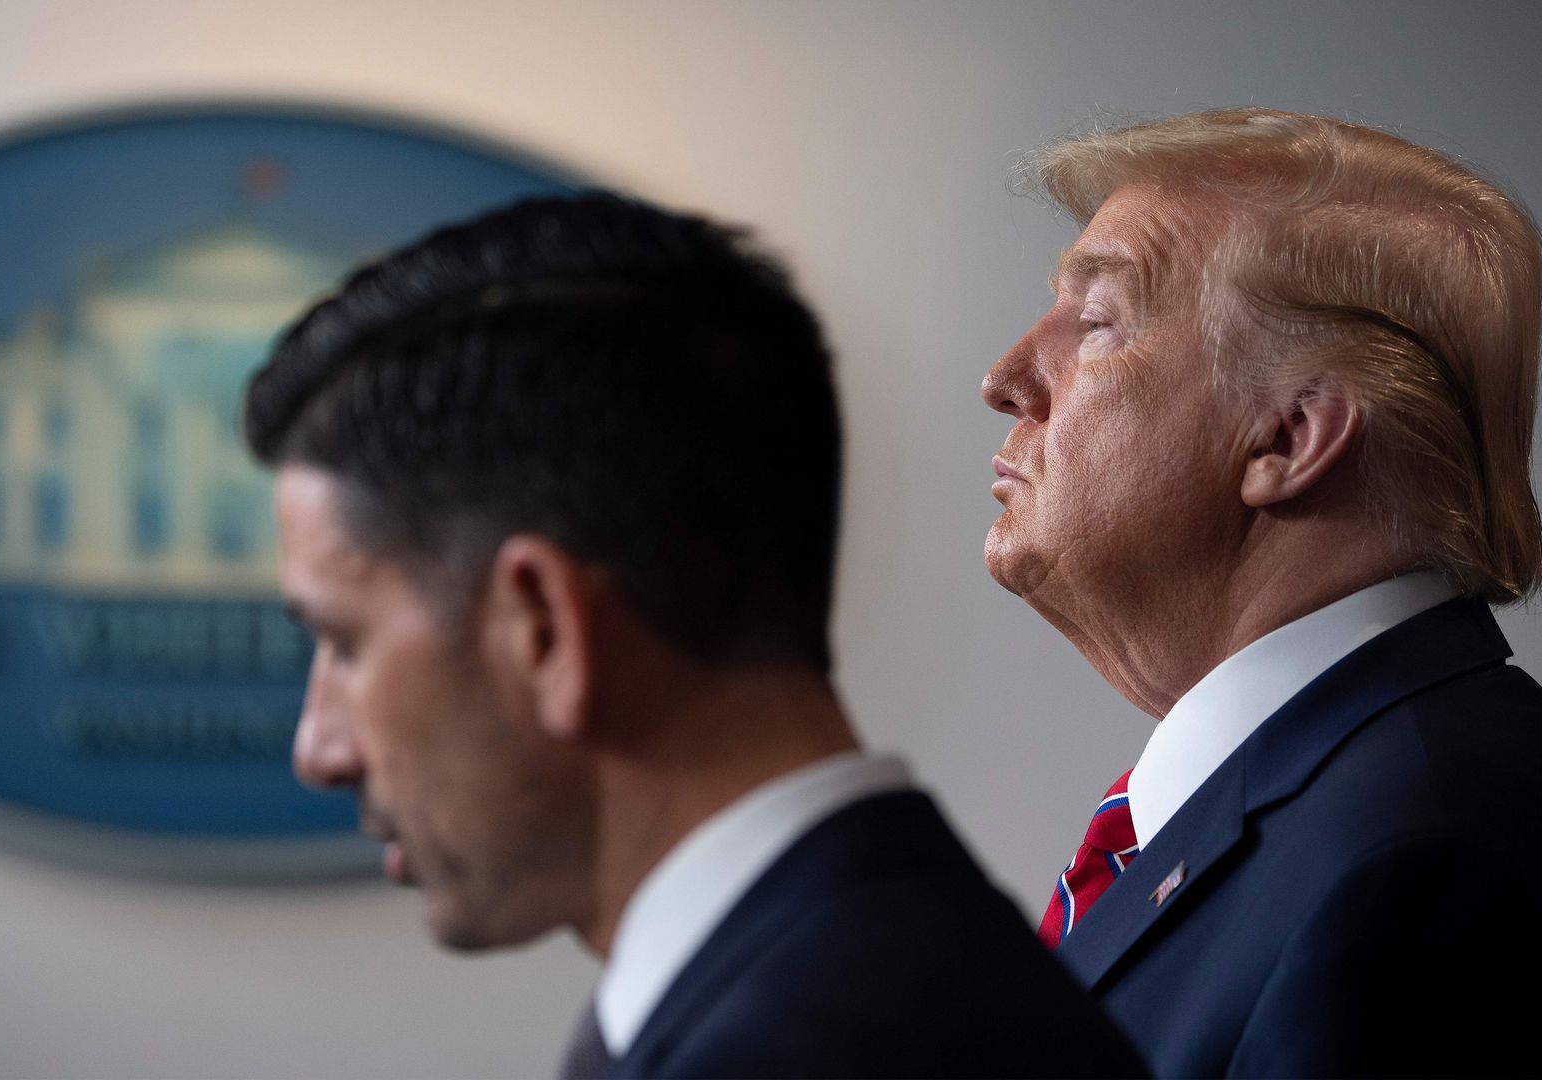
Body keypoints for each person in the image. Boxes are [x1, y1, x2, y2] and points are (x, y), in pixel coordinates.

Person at [246, 192, 1144, 1078]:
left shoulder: (798, 1053)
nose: (319, 750)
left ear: (544, 629)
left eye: (345, 643)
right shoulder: (900, 986)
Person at [982, 106, 1542, 1077]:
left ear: (1288, 438)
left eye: (1096, 321)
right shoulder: (1347, 808)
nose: (1005, 380)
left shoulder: (1417, 866)